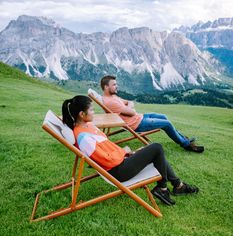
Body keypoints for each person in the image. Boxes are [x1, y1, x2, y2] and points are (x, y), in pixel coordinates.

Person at [62, 95, 199, 206]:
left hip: (121, 161)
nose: (94, 112)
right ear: (81, 114)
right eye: (91, 109)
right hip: (118, 171)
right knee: (157, 147)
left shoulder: (88, 126)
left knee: (156, 153)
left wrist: (128, 153)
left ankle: (177, 185)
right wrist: (124, 152)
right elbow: (108, 161)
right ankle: (163, 188)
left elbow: (107, 148)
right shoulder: (84, 138)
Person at [100, 75, 204, 153]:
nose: (117, 86)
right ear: (106, 87)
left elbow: (127, 102)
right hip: (137, 124)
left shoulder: (113, 97)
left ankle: (183, 139)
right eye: (114, 85)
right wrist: (130, 106)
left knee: (163, 117)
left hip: (139, 118)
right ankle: (186, 144)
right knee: (166, 123)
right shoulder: (111, 102)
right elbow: (132, 111)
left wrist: (129, 105)